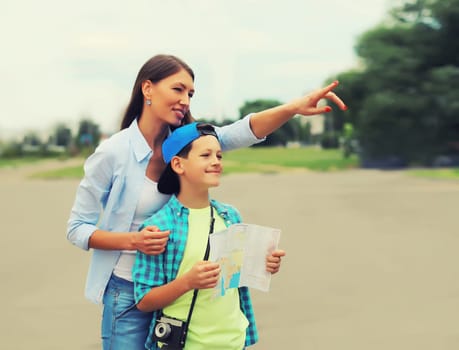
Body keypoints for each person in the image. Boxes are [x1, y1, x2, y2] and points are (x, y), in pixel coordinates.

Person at [67, 53, 347, 350]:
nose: (185, 100)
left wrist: (293, 108)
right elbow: (76, 229)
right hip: (128, 291)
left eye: (190, 93)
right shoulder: (112, 153)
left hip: (182, 289)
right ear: (147, 89)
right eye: (177, 89)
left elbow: (240, 132)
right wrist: (134, 240)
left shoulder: (187, 140)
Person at [133, 122, 285, 350]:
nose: (216, 162)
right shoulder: (159, 226)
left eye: (219, 156)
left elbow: (235, 274)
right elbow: (144, 300)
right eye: (205, 155)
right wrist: (186, 283)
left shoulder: (230, 216)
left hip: (234, 342)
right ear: (178, 164)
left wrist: (265, 264)